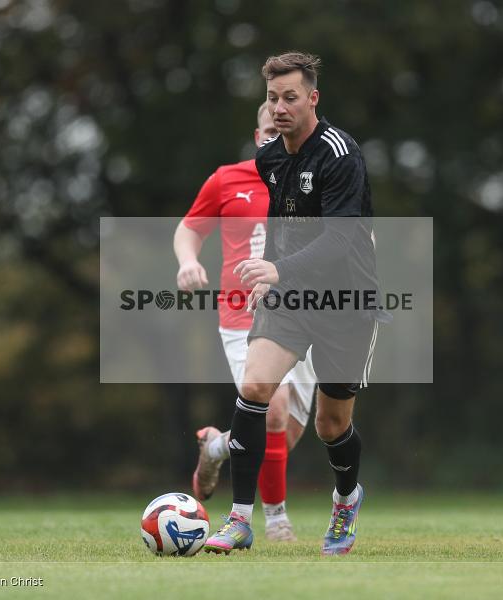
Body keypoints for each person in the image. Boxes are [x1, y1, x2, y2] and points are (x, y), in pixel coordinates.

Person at [203, 52, 380, 556]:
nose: (279, 107)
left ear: (313, 99)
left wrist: (279, 269)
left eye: (290, 98)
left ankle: (346, 500)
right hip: (291, 298)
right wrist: (271, 277)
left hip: (347, 303)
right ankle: (239, 520)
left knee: (331, 425)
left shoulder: (341, 154)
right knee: (255, 386)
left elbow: (341, 240)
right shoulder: (270, 158)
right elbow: (285, 230)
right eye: (272, 98)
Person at [173, 102, 317, 542]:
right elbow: (189, 228)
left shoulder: (317, 178)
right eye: (270, 132)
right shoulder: (227, 179)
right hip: (243, 316)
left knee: (282, 437)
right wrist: (187, 262)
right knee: (270, 410)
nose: (278, 138)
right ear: (259, 138)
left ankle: (217, 446)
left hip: (307, 315)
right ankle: (275, 521)